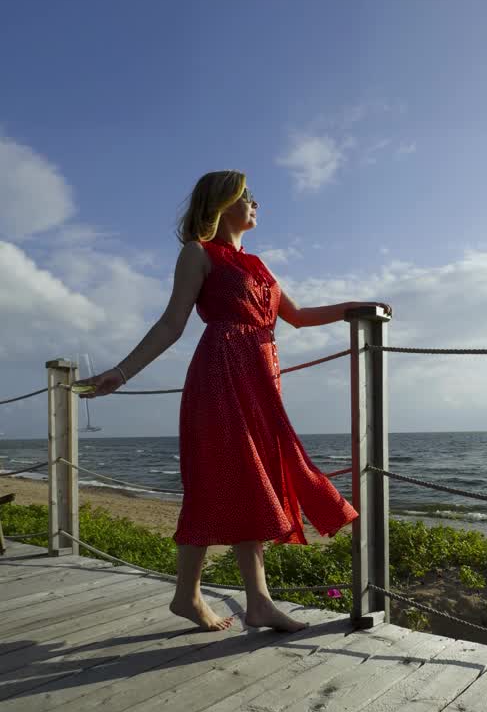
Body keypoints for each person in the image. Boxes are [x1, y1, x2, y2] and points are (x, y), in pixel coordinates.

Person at [75, 170, 392, 634]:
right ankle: (193, 596)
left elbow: (299, 318)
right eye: (247, 197)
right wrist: (120, 373)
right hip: (220, 380)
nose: (256, 205)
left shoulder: (260, 266)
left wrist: (361, 307)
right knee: (217, 481)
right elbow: (171, 324)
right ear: (221, 203)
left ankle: (254, 602)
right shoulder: (198, 254)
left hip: (262, 384)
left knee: (253, 483)